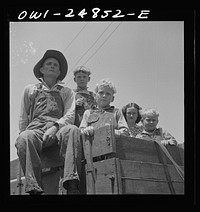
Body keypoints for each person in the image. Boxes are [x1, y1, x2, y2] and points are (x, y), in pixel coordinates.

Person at [15, 50, 82, 195]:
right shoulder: (30, 90)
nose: (52, 66)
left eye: (55, 65)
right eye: (48, 64)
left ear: (59, 72)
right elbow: (23, 118)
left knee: (73, 130)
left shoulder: (66, 91)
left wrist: (55, 127)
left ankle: (72, 184)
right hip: (36, 130)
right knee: (23, 138)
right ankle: (35, 189)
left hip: (58, 129)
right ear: (41, 69)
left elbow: (69, 115)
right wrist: (26, 143)